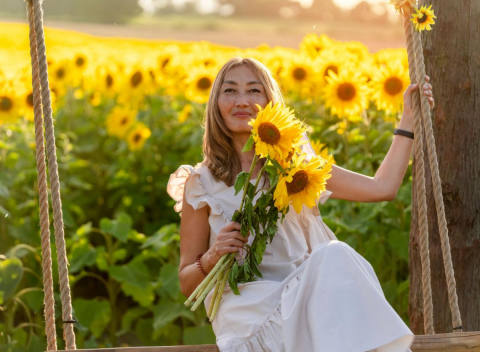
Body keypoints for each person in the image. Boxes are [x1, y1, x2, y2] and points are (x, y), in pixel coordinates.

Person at [167, 57, 434, 352]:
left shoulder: (298, 169)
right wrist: (213, 255)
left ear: (270, 102)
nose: (242, 101)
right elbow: (186, 282)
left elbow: (381, 188)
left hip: (307, 302)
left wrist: (409, 118)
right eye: (230, 91)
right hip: (250, 317)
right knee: (334, 263)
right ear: (216, 103)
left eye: (254, 91)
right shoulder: (201, 183)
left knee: (336, 256)